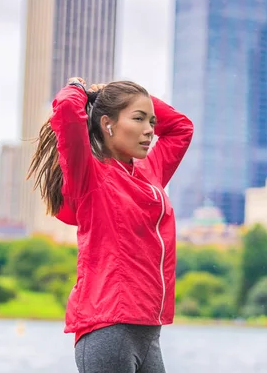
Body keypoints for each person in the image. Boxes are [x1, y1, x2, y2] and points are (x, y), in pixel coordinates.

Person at [28, 77, 193, 372]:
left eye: (152, 121)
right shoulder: (91, 176)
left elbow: (181, 128)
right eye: (139, 119)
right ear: (108, 124)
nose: (149, 131)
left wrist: (135, 99)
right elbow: (67, 109)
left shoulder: (149, 172)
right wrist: (84, 91)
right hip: (109, 328)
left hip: (148, 332)